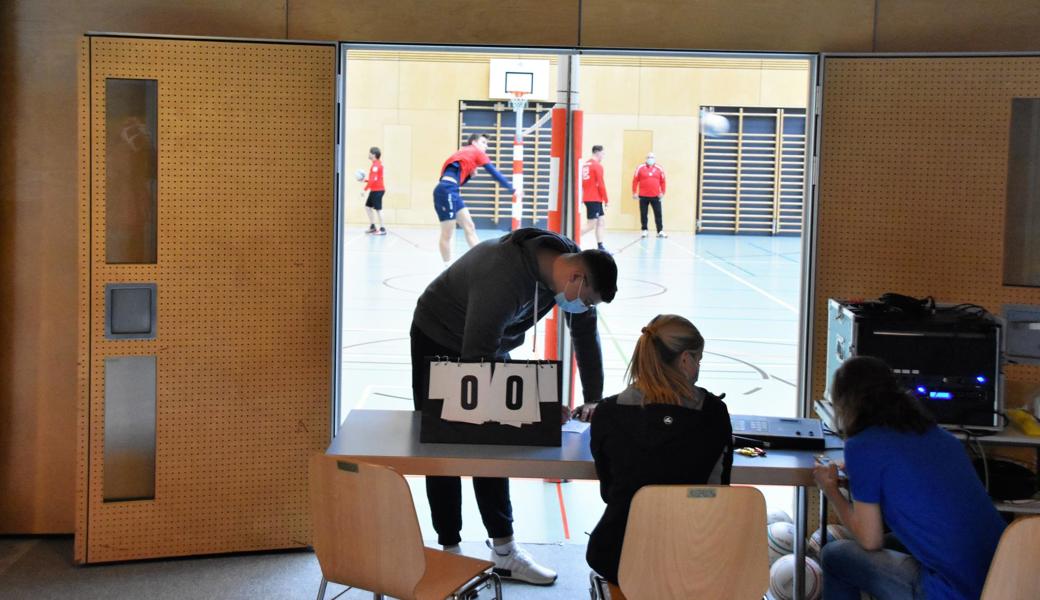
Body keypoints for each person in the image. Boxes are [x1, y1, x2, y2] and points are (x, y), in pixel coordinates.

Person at [410, 227, 617, 585]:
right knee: (445, 444)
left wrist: (595, 398)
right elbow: (478, 367)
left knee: (494, 445)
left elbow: (585, 334)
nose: (583, 308)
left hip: (487, 337)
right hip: (439, 335)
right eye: (587, 300)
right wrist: (533, 408)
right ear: (577, 278)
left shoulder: (568, 268)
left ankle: (504, 552)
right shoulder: (502, 278)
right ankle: (450, 553)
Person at [814, 356, 1006, 600]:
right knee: (893, 541)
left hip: (952, 591)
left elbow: (869, 540)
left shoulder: (862, 446)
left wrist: (829, 489)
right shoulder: (938, 435)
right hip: (1001, 579)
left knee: (834, 556)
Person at [586, 314, 733, 585]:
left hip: (620, 557)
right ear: (686, 360)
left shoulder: (607, 413)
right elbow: (716, 492)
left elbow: (610, 491)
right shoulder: (714, 414)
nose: (698, 366)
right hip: (694, 558)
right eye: (699, 359)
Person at [434, 133, 515, 264]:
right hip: (446, 191)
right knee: (447, 233)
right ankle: (447, 268)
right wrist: (513, 189)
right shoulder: (475, 151)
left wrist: (469, 176)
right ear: (474, 143)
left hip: (452, 190)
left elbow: (455, 180)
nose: (486, 146)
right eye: (483, 142)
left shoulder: (464, 154)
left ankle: (482, 262)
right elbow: (494, 173)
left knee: (469, 226)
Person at [631, 152, 667, 238]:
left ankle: (660, 231)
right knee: (643, 214)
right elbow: (635, 180)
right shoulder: (640, 168)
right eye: (648, 157)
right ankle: (644, 230)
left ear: (654, 159)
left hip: (656, 196)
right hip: (643, 196)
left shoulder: (659, 168)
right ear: (646, 159)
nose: (650, 159)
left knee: (658, 213)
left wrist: (662, 192)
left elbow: (663, 181)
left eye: (652, 157)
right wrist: (634, 192)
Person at [581, 145, 610, 253]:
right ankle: (572, 238)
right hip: (593, 198)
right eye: (603, 154)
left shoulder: (585, 164)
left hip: (590, 197)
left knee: (601, 221)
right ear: (597, 153)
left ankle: (600, 245)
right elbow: (601, 184)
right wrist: (606, 199)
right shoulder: (597, 166)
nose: (603, 156)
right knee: (591, 224)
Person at [362, 146, 387, 235]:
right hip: (375, 190)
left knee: (378, 209)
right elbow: (374, 179)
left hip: (378, 191)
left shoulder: (375, 166)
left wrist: (364, 190)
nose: (368, 154)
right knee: (367, 207)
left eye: (370, 153)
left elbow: (373, 180)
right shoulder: (376, 165)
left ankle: (383, 228)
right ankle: (373, 226)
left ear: (374, 155)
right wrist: (365, 180)